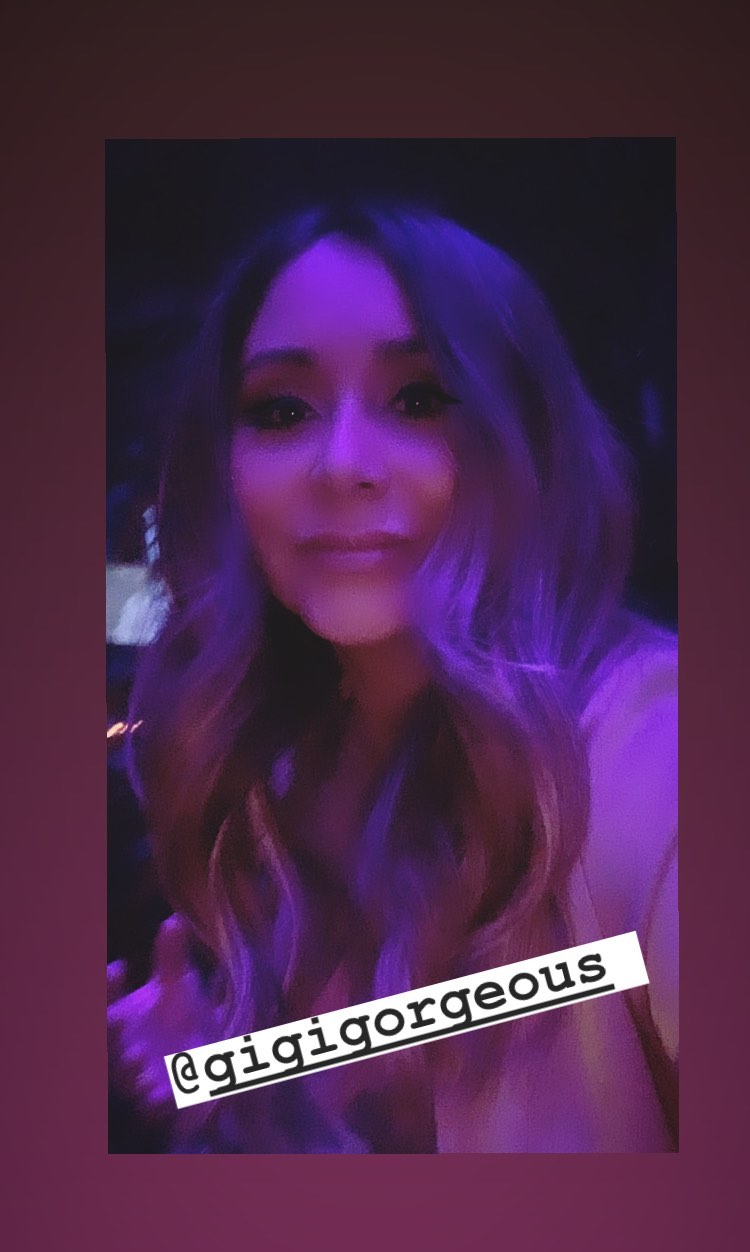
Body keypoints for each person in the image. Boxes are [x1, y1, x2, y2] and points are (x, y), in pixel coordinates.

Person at [107, 198, 678, 1153]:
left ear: (526, 436)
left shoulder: (657, 756)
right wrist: (214, 1076)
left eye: (418, 399)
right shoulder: (283, 775)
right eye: (282, 410)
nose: (341, 466)